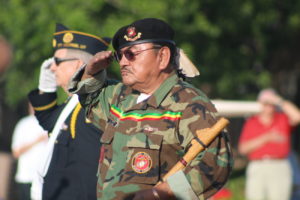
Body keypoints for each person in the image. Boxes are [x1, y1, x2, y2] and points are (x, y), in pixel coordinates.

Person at [69, 18, 233, 200]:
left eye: (131, 54)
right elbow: (90, 99)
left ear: (162, 56)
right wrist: (90, 72)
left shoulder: (190, 104)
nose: (123, 62)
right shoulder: (121, 97)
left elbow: (217, 164)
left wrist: (161, 193)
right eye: (119, 56)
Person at [28, 24, 110, 200]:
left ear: (78, 65)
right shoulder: (72, 102)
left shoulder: (100, 99)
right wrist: (46, 89)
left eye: (57, 62)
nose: (52, 68)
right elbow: (49, 122)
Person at [238, 88, 300, 200]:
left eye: (271, 103)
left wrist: (278, 100)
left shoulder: (282, 119)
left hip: (280, 166)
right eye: (266, 103)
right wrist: (266, 138)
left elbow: (297, 116)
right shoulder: (251, 122)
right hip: (257, 166)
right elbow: (243, 149)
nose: (268, 106)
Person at [11, 102, 48, 200]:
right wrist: (37, 140)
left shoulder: (49, 122)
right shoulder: (23, 124)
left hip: (44, 178)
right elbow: (16, 152)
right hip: (26, 177)